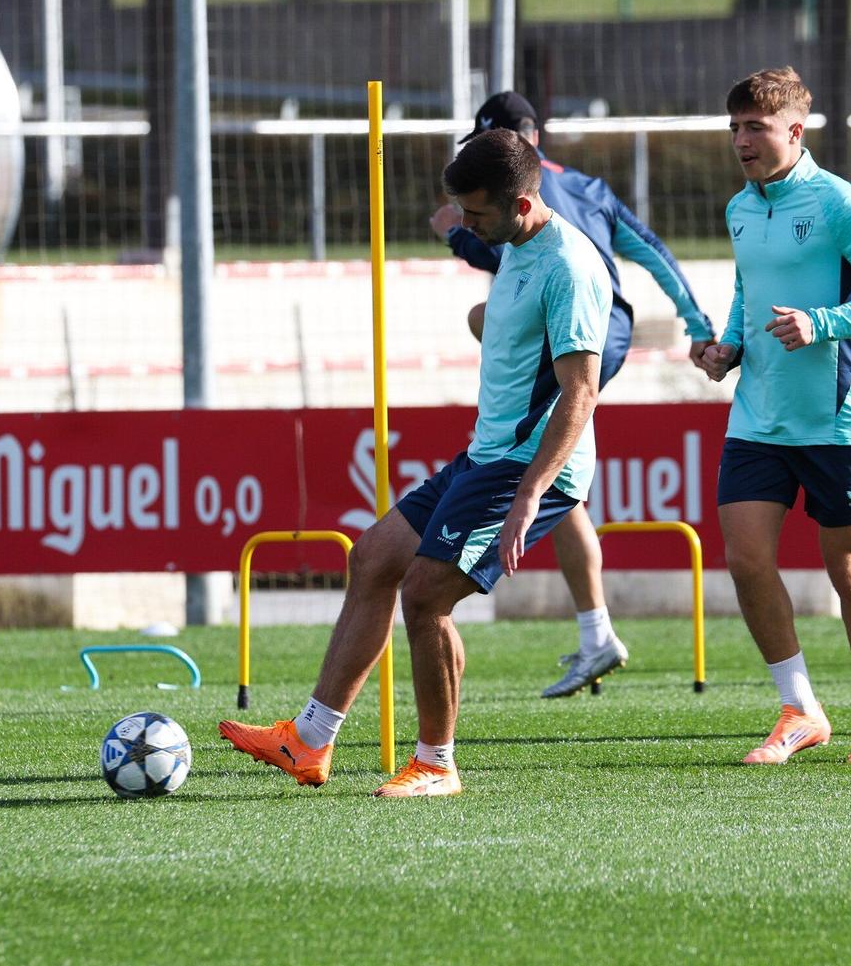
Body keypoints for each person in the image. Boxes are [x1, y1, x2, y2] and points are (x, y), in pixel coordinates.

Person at [221, 130, 611, 797]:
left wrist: (529, 495)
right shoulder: (516, 247)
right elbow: (519, 329)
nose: (465, 225)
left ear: (521, 205)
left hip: (522, 469)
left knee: (426, 596)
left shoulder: (570, 268)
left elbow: (580, 392)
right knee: (373, 556)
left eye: (476, 214)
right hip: (485, 454)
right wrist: (489, 320)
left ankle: (436, 762)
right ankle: (308, 740)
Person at [428, 90, 716, 698]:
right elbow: (654, 252)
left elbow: (501, 248)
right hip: (603, 328)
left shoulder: (525, 209)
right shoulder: (589, 187)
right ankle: (596, 632)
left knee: (542, 457)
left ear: (514, 146)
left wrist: (454, 238)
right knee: (560, 472)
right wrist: (697, 325)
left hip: (577, 334)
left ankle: (592, 626)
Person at [695, 66, 851, 767]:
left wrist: (821, 322)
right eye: (733, 128)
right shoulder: (739, 207)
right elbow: (746, 286)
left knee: (848, 572)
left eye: (753, 127)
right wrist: (728, 345)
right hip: (757, 414)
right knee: (745, 559)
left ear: (795, 129)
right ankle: (799, 707)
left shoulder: (838, 202)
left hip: (836, 420)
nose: (740, 140)